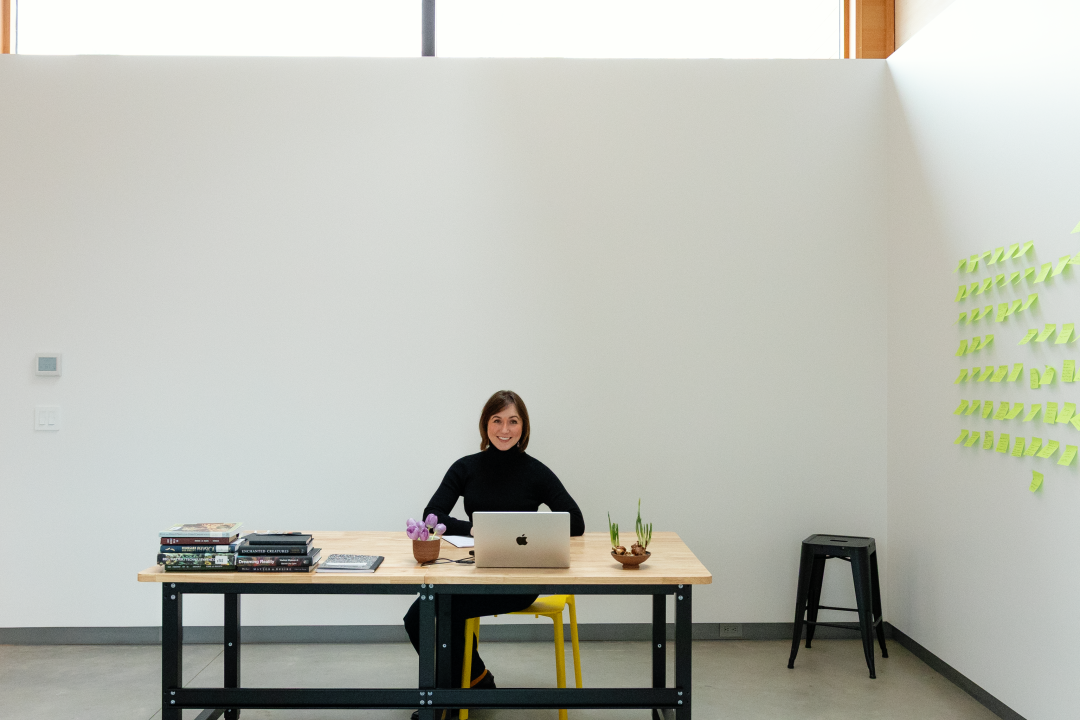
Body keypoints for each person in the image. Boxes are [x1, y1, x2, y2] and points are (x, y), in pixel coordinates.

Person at [403, 390, 585, 719]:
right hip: (476, 572)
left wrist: (531, 529)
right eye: (497, 420)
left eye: (513, 421)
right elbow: (432, 515)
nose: (504, 429)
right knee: (417, 615)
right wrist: (474, 528)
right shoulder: (466, 467)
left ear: (523, 427)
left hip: (522, 581)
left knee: (445, 609)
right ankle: (475, 681)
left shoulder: (536, 471)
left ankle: (445, 698)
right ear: (485, 425)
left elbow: (576, 522)